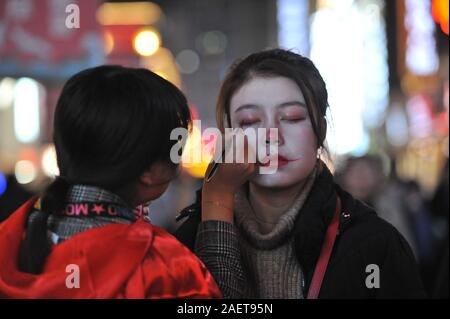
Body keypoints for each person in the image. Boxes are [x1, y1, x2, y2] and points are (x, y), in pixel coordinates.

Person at [175, 49, 426, 299]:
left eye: (292, 117)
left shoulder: (375, 245)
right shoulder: (183, 246)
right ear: (228, 135)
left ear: (321, 130)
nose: (273, 136)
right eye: (250, 121)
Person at [0, 66, 220, 299]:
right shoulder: (168, 268)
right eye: (177, 148)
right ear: (151, 171)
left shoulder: (11, 242)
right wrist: (221, 200)